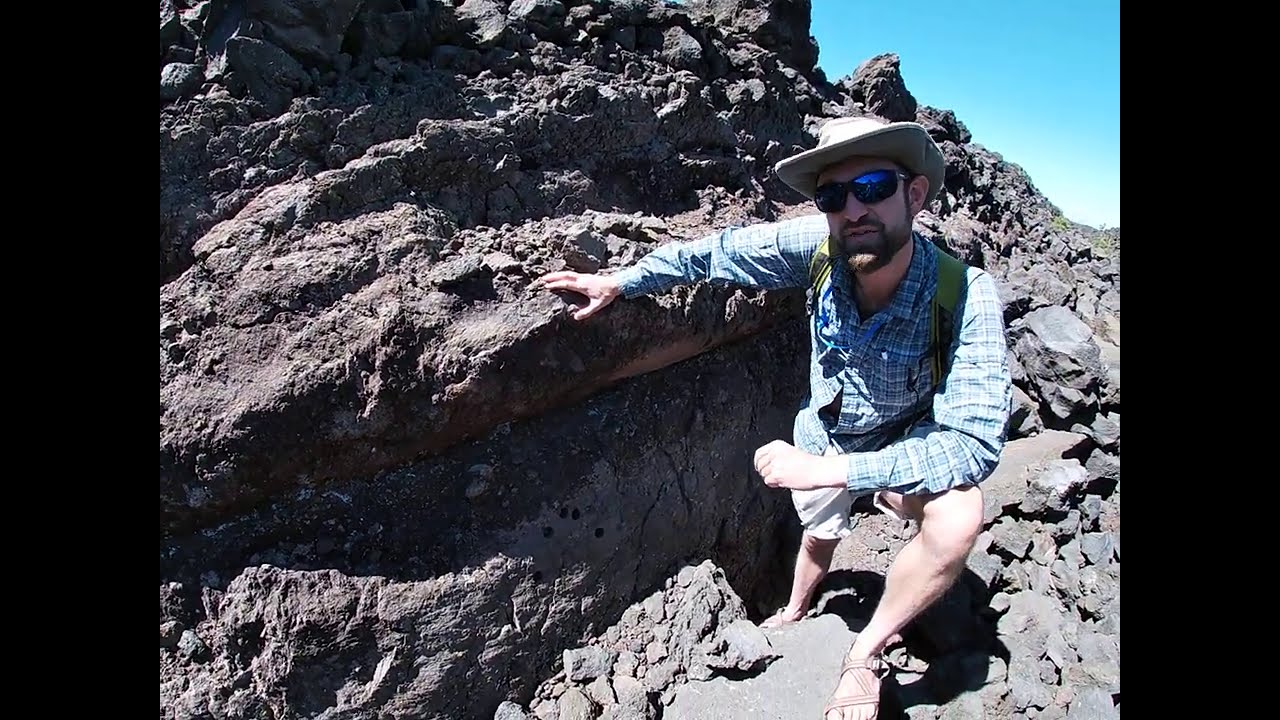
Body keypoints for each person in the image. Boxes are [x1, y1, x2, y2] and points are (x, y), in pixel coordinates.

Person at [536, 115, 1013, 720]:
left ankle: (864, 653)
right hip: (823, 439)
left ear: (914, 195)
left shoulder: (965, 295)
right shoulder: (819, 248)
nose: (852, 209)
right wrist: (622, 280)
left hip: (892, 445)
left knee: (958, 517)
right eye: (833, 195)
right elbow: (715, 253)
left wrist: (836, 471)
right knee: (820, 534)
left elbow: (973, 443)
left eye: (871, 186)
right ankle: (795, 607)